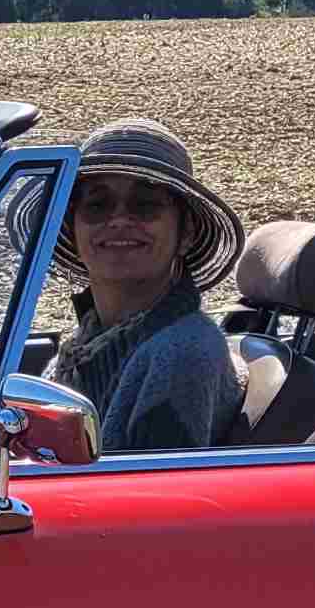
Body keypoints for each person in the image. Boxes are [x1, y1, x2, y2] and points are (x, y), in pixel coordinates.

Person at [45, 117, 247, 453]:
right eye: (97, 206)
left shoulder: (181, 353)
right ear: (72, 229)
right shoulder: (81, 347)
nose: (119, 220)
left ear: (186, 233)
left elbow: (151, 485)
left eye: (145, 205)